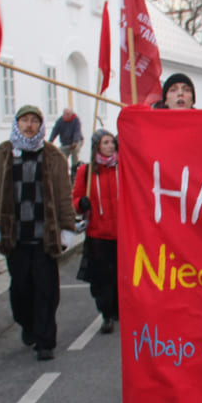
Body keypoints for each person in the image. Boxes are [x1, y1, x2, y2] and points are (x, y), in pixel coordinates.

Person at [0, 105, 76, 361]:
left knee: (47, 291)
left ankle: (45, 342)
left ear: (40, 126)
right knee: (20, 290)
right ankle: (28, 324)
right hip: (16, 237)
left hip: (44, 236)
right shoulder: (2, 155)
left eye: (34, 121)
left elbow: (64, 196)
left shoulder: (53, 156)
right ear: (17, 124)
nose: (29, 125)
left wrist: (66, 228)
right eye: (24, 120)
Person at [72, 130, 120, 333]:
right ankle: (106, 314)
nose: (110, 146)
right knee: (101, 279)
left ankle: (118, 310)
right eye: (105, 143)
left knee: (119, 276)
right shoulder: (87, 171)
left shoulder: (122, 168)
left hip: (121, 234)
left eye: (112, 142)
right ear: (96, 147)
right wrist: (81, 203)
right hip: (97, 235)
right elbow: (75, 199)